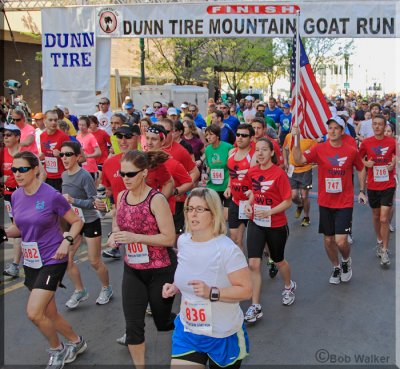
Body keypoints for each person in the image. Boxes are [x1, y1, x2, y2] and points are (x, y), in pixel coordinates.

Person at [4, 151, 87, 368]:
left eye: (22, 169)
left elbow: (76, 222)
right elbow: (20, 228)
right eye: (14, 169)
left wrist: (66, 241)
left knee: (34, 312)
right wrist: (4, 233)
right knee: (49, 313)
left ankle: (57, 349)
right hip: (31, 261)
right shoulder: (16, 196)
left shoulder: (51, 195)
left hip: (52, 258)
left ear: (35, 170)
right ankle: (76, 342)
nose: (17, 174)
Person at [162, 187, 252, 369]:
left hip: (222, 334)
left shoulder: (228, 250)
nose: (192, 214)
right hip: (188, 331)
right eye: (189, 208)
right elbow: (190, 272)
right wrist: (176, 286)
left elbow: (246, 290)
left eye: (200, 209)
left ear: (213, 214)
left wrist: (212, 292)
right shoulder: (184, 241)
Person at [107, 150, 177, 368]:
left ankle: (193, 326)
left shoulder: (156, 199)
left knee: (162, 322)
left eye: (130, 174)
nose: (125, 178)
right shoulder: (121, 197)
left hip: (160, 269)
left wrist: (134, 237)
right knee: (133, 325)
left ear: (144, 173)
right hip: (133, 269)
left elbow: (169, 238)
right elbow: (118, 222)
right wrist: (114, 235)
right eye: (122, 174)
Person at [292, 116, 367, 284]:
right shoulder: (319, 149)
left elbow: (361, 169)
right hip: (326, 202)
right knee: (328, 240)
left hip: (345, 202)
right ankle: (336, 266)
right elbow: (298, 160)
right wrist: (296, 138)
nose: (332, 131)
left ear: (342, 131)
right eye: (330, 128)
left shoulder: (350, 150)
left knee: (341, 241)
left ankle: (346, 261)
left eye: (336, 128)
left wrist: (362, 191)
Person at [243, 138, 296, 324]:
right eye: (257, 150)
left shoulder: (279, 174)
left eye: (264, 150)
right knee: (254, 264)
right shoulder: (252, 172)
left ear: (272, 153)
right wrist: (250, 205)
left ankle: (288, 286)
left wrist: (269, 211)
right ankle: (255, 305)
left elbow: (287, 201)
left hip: (276, 224)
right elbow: (252, 193)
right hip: (256, 222)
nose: (260, 153)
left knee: (279, 260)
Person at [60, 141, 113, 308]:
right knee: (67, 259)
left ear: (77, 157)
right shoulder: (64, 175)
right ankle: (80, 290)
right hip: (74, 222)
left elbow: (93, 202)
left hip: (90, 221)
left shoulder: (84, 176)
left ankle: (106, 288)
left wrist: (73, 200)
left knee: (94, 261)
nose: (64, 158)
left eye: (68, 154)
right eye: (62, 154)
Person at [359, 115, 396, 267]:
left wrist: (393, 163)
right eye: (375, 124)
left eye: (380, 124)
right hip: (373, 185)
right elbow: (358, 159)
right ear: (372, 126)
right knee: (375, 215)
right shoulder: (366, 143)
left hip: (388, 184)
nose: (377, 127)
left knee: (383, 218)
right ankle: (380, 241)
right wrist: (366, 162)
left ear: (384, 125)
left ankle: (385, 250)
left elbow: (397, 156)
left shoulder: (392, 142)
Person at [224, 124, 257, 251]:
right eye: (238, 135)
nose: (240, 138)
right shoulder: (232, 152)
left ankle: (271, 257)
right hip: (236, 201)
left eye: (244, 135)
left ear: (251, 138)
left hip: (252, 203)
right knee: (235, 239)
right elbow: (232, 174)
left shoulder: (254, 156)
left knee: (259, 239)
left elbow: (257, 180)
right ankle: (241, 268)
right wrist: (228, 187)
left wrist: (253, 193)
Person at [282, 132, 317, 227]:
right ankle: (300, 205)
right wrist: (285, 160)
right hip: (292, 170)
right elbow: (284, 149)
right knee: (293, 196)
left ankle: (306, 217)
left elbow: (315, 153)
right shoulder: (289, 136)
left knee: (305, 196)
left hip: (306, 171)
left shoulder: (310, 138)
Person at [2, 123, 22, 278]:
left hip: (23, 195)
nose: (5, 137)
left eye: (8, 135)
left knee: (25, 227)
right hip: (8, 196)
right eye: (4, 135)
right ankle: (15, 264)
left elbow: (39, 173)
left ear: (17, 136)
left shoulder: (24, 154)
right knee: (17, 228)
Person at [204, 124, 234, 220]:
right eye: (206, 135)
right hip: (213, 186)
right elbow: (209, 167)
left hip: (226, 186)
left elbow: (233, 168)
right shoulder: (208, 149)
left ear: (217, 135)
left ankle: (224, 233)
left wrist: (230, 184)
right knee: (214, 215)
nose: (208, 137)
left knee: (226, 217)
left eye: (211, 134)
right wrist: (206, 174)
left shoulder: (228, 147)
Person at [40, 110, 70, 192]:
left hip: (61, 177)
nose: (53, 122)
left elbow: (72, 157)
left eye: (55, 120)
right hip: (47, 176)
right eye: (50, 120)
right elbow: (45, 152)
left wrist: (60, 154)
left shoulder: (63, 136)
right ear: (44, 120)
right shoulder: (42, 136)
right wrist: (40, 156)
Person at [76, 116, 101, 181]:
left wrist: (87, 155)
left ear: (87, 126)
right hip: (80, 167)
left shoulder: (91, 137)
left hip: (90, 168)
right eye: (79, 125)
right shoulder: (77, 137)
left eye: (83, 125)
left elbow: (98, 152)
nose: (81, 127)